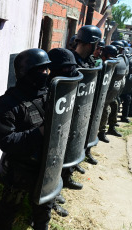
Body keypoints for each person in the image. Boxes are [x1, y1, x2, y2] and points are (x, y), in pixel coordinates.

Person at [0, 48, 54, 230]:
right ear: (26, 72)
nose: (45, 74)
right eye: (40, 70)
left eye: (47, 69)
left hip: (46, 164)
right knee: (8, 211)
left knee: (44, 210)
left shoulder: (49, 94)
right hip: (21, 169)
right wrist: (40, 132)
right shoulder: (8, 103)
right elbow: (7, 141)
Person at [47, 48, 81, 217]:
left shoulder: (64, 84)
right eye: (66, 69)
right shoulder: (47, 86)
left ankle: (54, 192)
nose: (70, 72)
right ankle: (46, 203)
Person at [71, 25, 102, 165]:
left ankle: (79, 159)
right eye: (96, 44)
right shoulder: (71, 62)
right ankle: (67, 173)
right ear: (90, 44)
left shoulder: (88, 60)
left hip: (84, 108)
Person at [98, 45, 122, 143]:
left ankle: (111, 127)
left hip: (107, 92)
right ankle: (101, 133)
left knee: (115, 103)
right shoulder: (99, 63)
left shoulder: (109, 64)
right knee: (106, 110)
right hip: (98, 94)